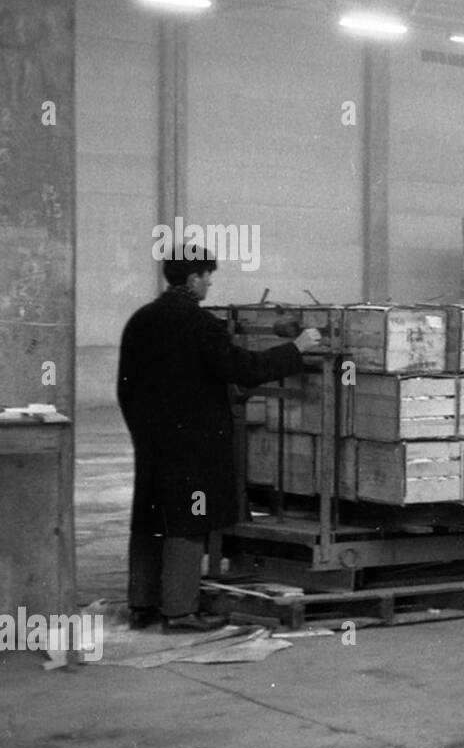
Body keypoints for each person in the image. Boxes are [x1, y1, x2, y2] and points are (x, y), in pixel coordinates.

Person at [117, 247, 321, 632]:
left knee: (150, 519)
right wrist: (296, 349)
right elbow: (243, 369)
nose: (210, 282)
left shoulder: (139, 321)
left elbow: (124, 388)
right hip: (194, 447)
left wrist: (142, 432)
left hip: (152, 442)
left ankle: (141, 605)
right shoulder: (199, 324)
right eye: (208, 275)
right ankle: (180, 612)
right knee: (190, 521)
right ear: (193, 279)